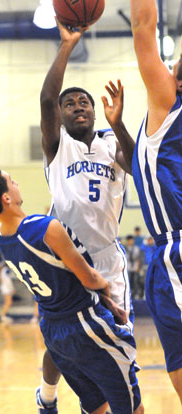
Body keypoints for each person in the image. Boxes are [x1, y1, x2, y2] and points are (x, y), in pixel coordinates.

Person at [0, 167, 144, 414]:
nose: (17, 182)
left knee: (96, 404)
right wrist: (108, 290)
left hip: (53, 330)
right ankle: (46, 397)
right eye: (11, 181)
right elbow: (89, 277)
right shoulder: (45, 227)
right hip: (85, 324)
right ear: (6, 198)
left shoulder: (2, 237)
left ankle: (46, 398)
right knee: (131, 407)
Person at [39, 19, 138, 414]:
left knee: (119, 338)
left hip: (107, 258)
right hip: (66, 259)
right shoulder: (56, 147)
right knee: (62, 346)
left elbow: (136, 166)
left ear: (94, 113)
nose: (78, 106)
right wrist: (66, 46)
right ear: (60, 116)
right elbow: (46, 99)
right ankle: (47, 396)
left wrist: (119, 124)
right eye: (70, 103)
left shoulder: (111, 143)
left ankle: (103, 403)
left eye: (84, 102)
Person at [103, 0, 182, 403]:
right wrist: (117, 127)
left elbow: (143, 28)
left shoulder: (170, 101)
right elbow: (150, 174)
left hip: (175, 252)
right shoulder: (167, 121)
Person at [124, 235, 141, 300]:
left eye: (132, 240)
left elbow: (138, 258)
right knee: (128, 281)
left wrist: (138, 267)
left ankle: (136, 294)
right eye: (129, 240)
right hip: (128, 267)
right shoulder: (125, 248)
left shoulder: (136, 248)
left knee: (135, 281)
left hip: (135, 267)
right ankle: (129, 295)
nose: (131, 241)